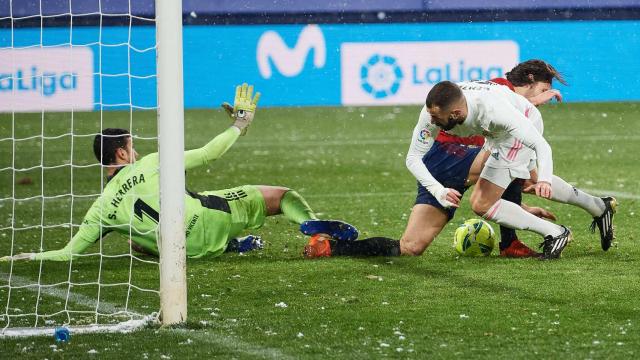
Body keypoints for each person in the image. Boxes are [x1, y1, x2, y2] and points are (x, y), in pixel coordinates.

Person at [1, 83, 358, 262]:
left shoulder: (100, 209)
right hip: (207, 221)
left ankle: (231, 247)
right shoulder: (150, 162)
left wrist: (24, 256)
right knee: (281, 196)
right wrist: (240, 123)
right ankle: (314, 234)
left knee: (134, 240)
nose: (135, 150)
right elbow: (208, 153)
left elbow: (69, 253)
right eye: (132, 145)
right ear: (123, 152)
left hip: (180, 250)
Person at [306, 63, 616, 260]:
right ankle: (334, 248)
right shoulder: (435, 112)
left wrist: (541, 179)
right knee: (411, 247)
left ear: (455, 114)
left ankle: (540, 234)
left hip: (490, 147)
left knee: (514, 180)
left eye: (438, 119)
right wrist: (439, 191)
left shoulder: (494, 107)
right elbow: (414, 157)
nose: (432, 121)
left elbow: (536, 142)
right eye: (544, 89)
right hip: (444, 162)